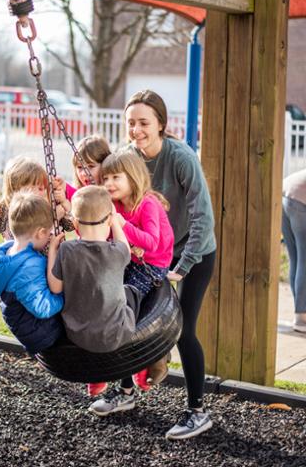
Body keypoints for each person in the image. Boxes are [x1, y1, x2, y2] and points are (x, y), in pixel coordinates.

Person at [123, 90, 216, 440]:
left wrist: (185, 264)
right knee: (128, 314)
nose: (136, 129)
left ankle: (197, 411)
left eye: (144, 122)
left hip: (195, 251)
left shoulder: (180, 158)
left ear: (161, 124)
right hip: (152, 251)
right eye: (131, 122)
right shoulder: (128, 158)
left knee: (183, 330)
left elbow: (202, 216)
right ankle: (126, 391)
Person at [47, 185, 147, 416]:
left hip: (77, 336)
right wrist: (115, 223)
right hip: (115, 335)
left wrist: (53, 249)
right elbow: (124, 244)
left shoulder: (68, 250)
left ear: (75, 221)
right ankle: (146, 363)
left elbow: (55, 286)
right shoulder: (117, 252)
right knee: (131, 290)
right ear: (109, 219)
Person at [101, 150, 174, 389]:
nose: (108, 183)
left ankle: (157, 356)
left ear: (132, 178)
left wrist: (122, 224)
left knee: (128, 301)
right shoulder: (117, 204)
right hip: (133, 259)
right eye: (105, 179)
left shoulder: (148, 204)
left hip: (152, 265)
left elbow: (152, 242)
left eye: (115, 177)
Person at [52, 135, 114, 397]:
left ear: (106, 164)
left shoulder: (110, 192)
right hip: (86, 263)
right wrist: (58, 190)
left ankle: (104, 371)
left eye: (91, 166)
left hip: (109, 262)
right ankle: (92, 371)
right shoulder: (80, 194)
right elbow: (74, 196)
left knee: (101, 314)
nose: (84, 172)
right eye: (79, 167)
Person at [0, 192, 64, 354]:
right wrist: (64, 299)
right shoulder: (31, 266)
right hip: (39, 333)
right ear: (40, 233)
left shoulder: (5, 254)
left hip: (19, 323)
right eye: (48, 233)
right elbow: (43, 308)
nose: (49, 238)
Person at [0, 155, 73, 240]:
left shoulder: (46, 204)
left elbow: (72, 225)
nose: (39, 193)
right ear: (14, 190)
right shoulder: (15, 213)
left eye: (41, 188)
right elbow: (29, 243)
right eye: (32, 189)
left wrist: (64, 203)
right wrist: (53, 218)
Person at [282, 169, 306, 333]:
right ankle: (301, 318)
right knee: (304, 260)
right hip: (299, 202)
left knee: (296, 259)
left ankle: (300, 312)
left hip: (285, 196)